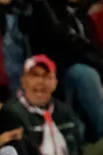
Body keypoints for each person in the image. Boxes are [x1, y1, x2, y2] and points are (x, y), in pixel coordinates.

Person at [0, 54, 103, 155]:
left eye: (47, 77)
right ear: (23, 81)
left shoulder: (63, 110)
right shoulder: (12, 112)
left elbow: (78, 150)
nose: (41, 82)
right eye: (35, 75)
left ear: (55, 83)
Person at [23, 0, 103, 141]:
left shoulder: (80, 15)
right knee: (83, 74)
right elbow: (67, 48)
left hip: (86, 80)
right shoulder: (45, 12)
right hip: (59, 83)